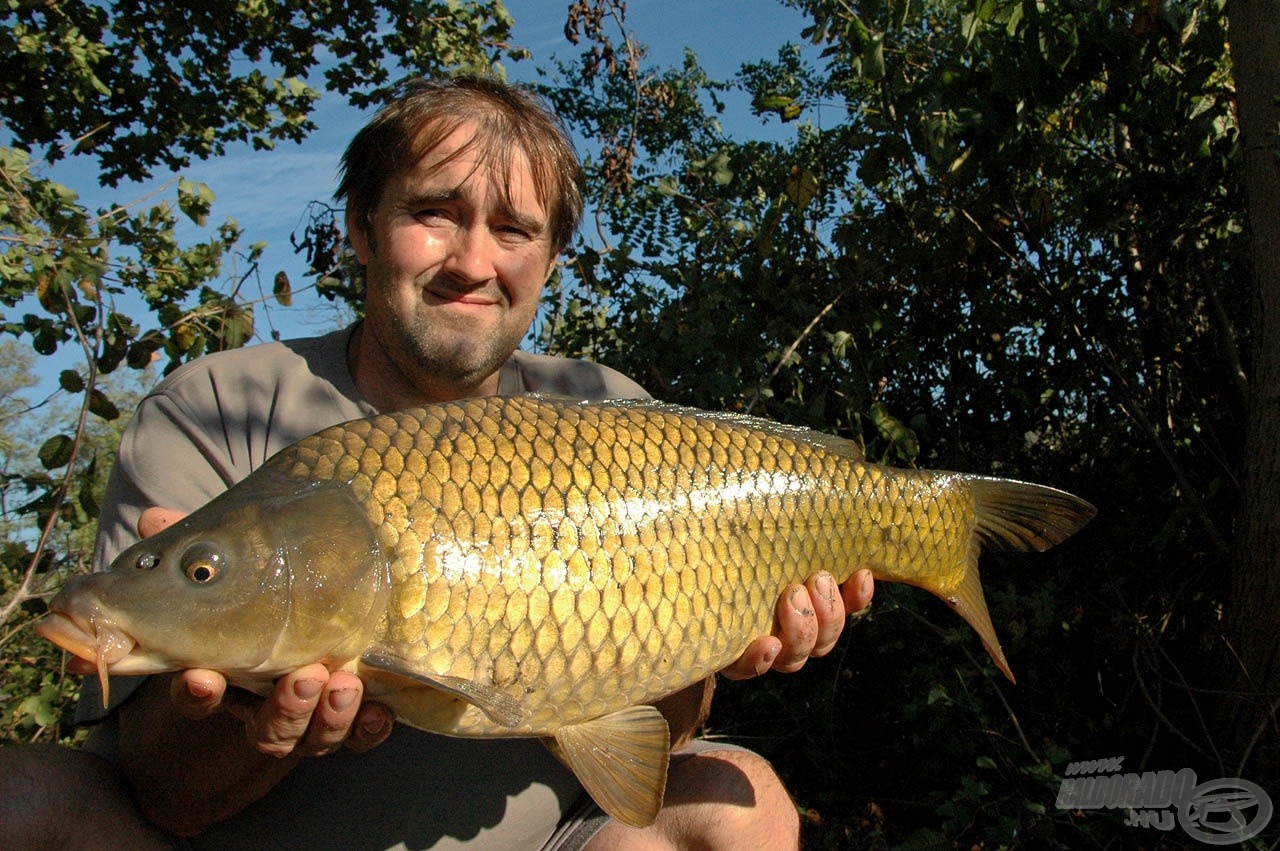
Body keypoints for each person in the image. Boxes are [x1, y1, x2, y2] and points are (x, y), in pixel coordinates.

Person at [3, 76, 873, 850]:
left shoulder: (613, 415)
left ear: (549, 261)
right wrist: (246, 717)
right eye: (434, 213)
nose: (472, 262)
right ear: (361, 229)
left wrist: (717, 653)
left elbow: (657, 731)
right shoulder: (216, 412)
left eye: (513, 229)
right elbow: (161, 793)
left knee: (741, 803)